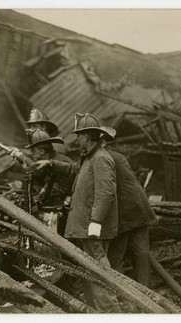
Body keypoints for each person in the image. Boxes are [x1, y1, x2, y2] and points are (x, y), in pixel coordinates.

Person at [47, 113, 122, 313]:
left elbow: (105, 193)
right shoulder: (89, 157)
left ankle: (112, 313)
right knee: (90, 274)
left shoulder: (101, 159)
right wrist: (51, 164)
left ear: (87, 136)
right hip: (85, 226)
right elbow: (73, 171)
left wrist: (95, 222)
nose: (76, 139)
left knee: (99, 274)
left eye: (79, 136)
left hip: (92, 227)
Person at [100, 128, 157, 287]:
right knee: (141, 254)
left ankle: (125, 293)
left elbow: (76, 169)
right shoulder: (116, 156)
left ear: (103, 142)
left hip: (125, 213)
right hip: (137, 209)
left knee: (115, 257)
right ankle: (145, 292)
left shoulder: (104, 158)